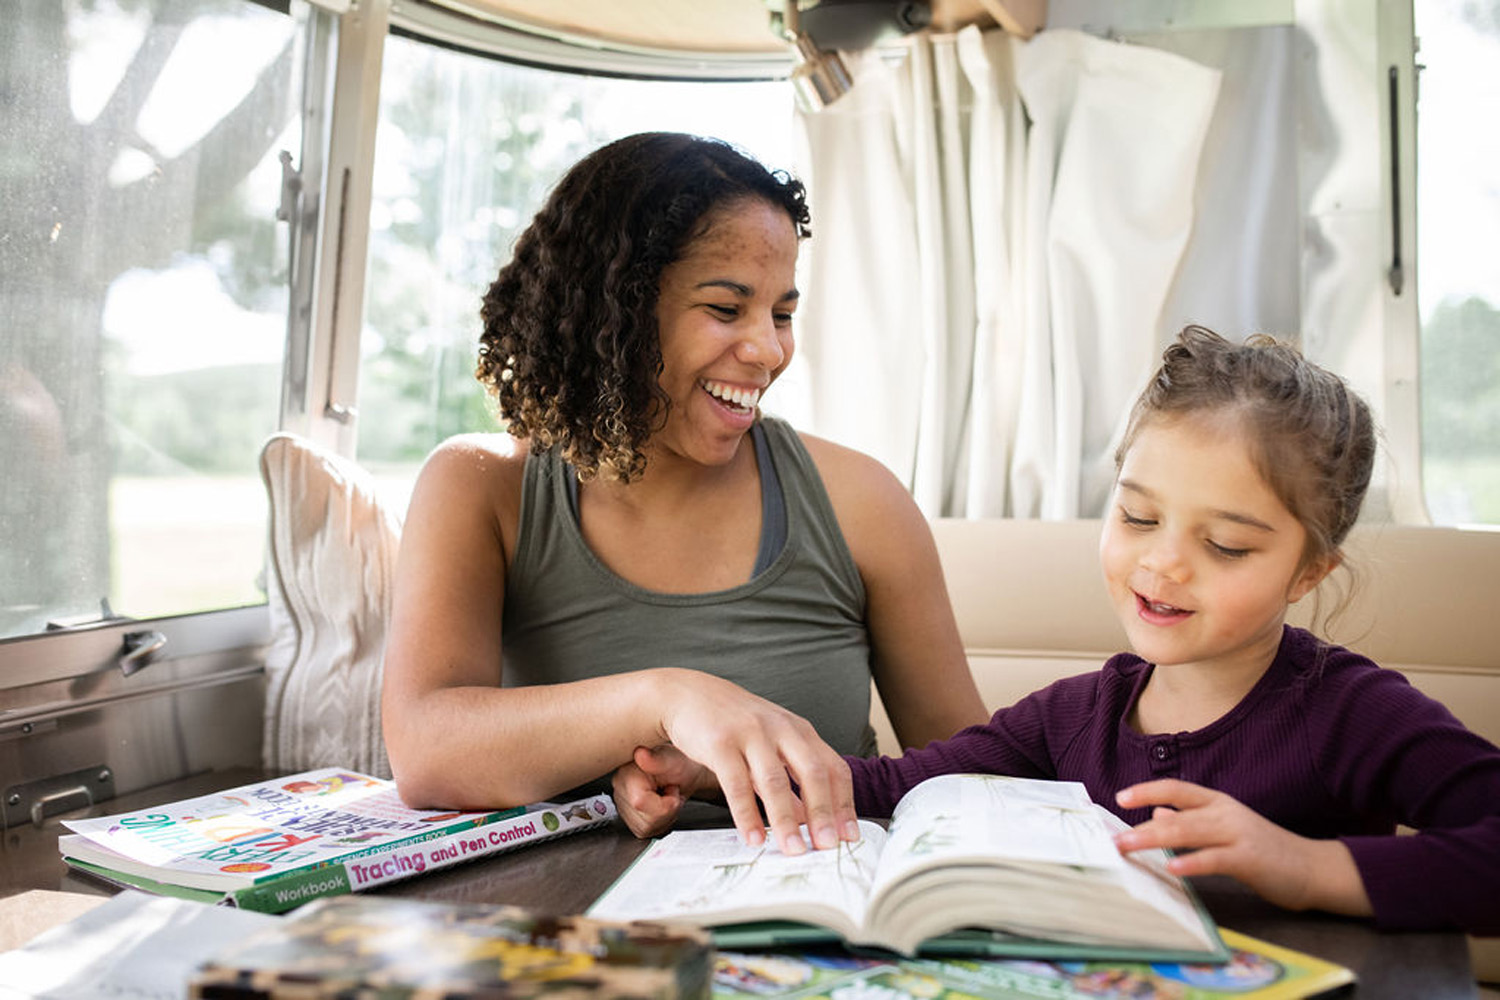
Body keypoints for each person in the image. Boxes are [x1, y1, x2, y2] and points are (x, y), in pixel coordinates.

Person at [618, 326, 1500, 934]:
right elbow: (892, 784)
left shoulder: (1352, 713)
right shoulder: (1072, 717)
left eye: (1226, 545)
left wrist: (1304, 868)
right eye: (1139, 518)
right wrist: (710, 775)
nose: (1164, 566)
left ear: (1309, 572)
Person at [380, 132, 987, 859]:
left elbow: (971, 774)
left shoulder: (861, 500)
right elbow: (424, 749)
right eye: (727, 309)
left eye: (782, 313)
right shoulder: (480, 487)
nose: (768, 349)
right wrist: (665, 701)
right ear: (619, 312)